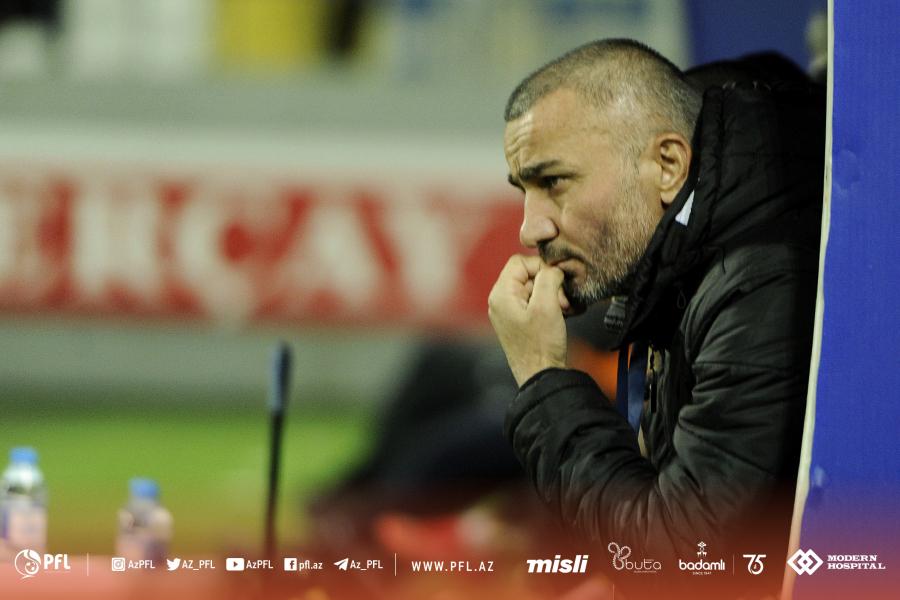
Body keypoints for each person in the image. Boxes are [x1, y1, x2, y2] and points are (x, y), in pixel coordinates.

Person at [489, 39, 823, 596]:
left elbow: (681, 563)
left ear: (668, 165)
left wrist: (543, 378)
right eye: (524, 189)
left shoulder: (761, 282)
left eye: (554, 183)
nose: (531, 229)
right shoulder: (693, 252)